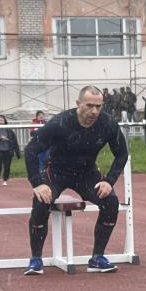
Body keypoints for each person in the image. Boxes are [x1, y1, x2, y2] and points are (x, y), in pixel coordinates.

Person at [22, 85, 128, 275]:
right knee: (41, 200)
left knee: (110, 201)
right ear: (78, 104)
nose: (94, 111)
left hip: (86, 173)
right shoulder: (60, 123)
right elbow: (31, 150)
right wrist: (37, 183)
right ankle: (36, 259)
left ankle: (97, 258)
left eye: (98, 106)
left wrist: (109, 181)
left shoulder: (108, 123)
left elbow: (122, 154)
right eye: (89, 106)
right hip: (55, 170)